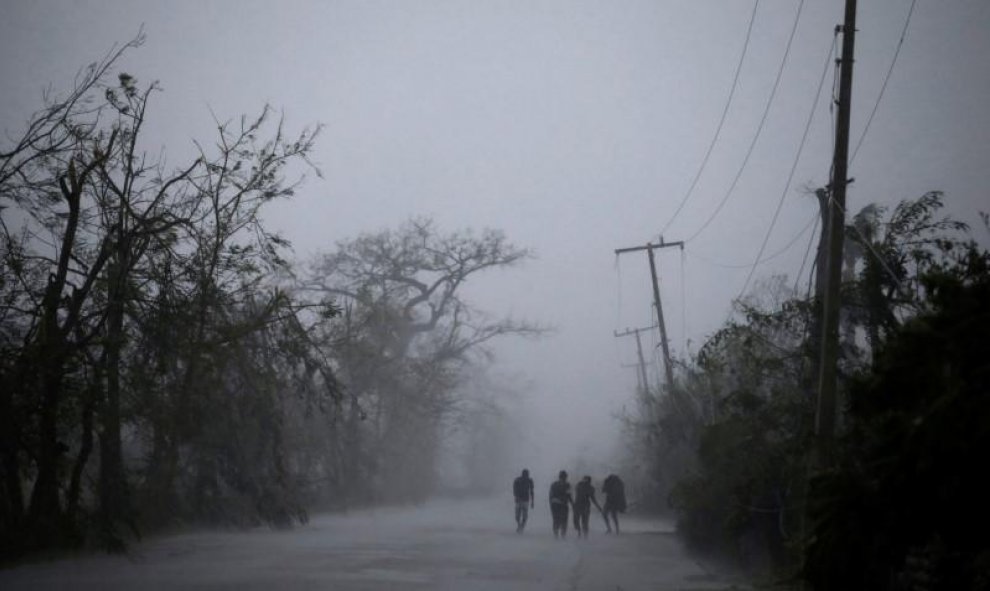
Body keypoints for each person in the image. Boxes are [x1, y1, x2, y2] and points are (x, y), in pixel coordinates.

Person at [548, 470, 574, 539]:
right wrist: (572, 504)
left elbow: (550, 496)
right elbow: (569, 496)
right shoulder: (567, 485)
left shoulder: (553, 484)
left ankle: (556, 534)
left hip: (554, 504)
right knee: (564, 520)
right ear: (565, 477)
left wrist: (551, 505)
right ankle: (562, 535)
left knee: (556, 519)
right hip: (563, 505)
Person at [512, 468, 535, 533]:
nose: (526, 476)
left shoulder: (529, 481)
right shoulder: (518, 480)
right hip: (519, 499)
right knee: (518, 516)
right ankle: (520, 525)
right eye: (525, 475)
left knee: (524, 515)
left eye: (527, 475)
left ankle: (521, 526)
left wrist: (532, 501)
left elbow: (531, 491)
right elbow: (514, 490)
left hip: (525, 500)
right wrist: (516, 496)